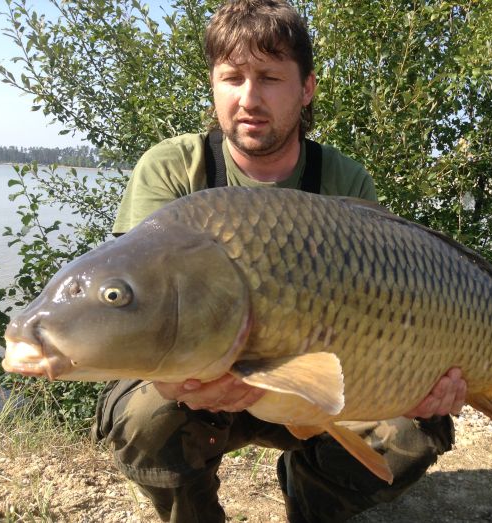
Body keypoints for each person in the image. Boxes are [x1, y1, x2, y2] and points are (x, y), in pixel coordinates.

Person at [93, 1, 467, 521]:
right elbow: (135, 307)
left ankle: (310, 493)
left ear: (306, 88)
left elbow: (385, 317)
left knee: (412, 432)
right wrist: (169, 379)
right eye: (232, 78)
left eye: (269, 78)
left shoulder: (343, 181)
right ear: (213, 84)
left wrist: (416, 386)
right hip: (196, 389)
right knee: (145, 419)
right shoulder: (173, 169)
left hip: (312, 391)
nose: (249, 98)